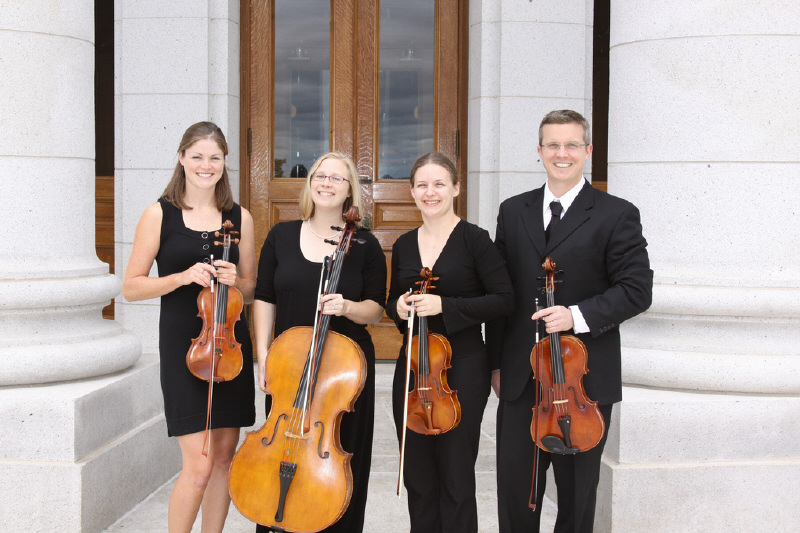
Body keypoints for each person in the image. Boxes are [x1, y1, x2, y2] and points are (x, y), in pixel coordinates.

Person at [488, 109, 653, 532]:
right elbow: (502, 295)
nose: (562, 154)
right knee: (515, 491)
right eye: (553, 145)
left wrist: (575, 316)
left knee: (578, 497)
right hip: (522, 376)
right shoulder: (512, 210)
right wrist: (495, 364)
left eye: (572, 145)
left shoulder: (617, 213)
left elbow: (636, 290)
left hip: (583, 380)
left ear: (588, 151)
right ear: (540, 150)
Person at [122, 121, 257, 532]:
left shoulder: (240, 217)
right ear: (182, 158)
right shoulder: (158, 214)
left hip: (230, 347)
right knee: (197, 467)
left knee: (222, 460)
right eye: (197, 156)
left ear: (224, 164)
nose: (206, 165)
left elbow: (251, 290)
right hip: (184, 349)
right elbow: (131, 287)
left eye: (214, 157)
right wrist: (181, 277)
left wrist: (237, 280)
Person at [252, 152, 387, 533]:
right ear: (310, 183)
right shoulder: (280, 235)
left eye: (337, 179)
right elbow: (264, 297)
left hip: (343, 375)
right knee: (281, 448)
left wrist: (346, 306)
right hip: (288, 367)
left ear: (350, 192)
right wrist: (264, 355)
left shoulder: (364, 245)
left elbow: (376, 311)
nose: (326, 183)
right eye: (320, 176)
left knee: (339, 461)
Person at [387, 152, 514, 533]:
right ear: (412, 191)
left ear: (456, 188)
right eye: (422, 185)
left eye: (439, 183)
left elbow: (504, 299)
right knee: (418, 477)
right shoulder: (406, 244)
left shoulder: (476, 241)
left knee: (456, 477)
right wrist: (400, 306)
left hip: (464, 369)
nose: (431, 192)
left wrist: (446, 305)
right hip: (412, 367)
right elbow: (394, 301)